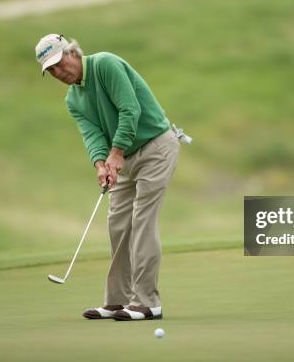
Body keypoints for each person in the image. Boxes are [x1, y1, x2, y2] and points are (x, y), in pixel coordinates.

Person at [35, 34, 189, 321]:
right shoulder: (73, 99)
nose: (58, 73)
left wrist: (115, 153)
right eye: (51, 70)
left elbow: (130, 109)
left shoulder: (105, 64)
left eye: (59, 63)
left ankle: (147, 303)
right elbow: (92, 134)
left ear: (72, 52)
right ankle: (117, 300)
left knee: (142, 221)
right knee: (118, 224)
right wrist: (100, 164)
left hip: (156, 146)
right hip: (124, 159)